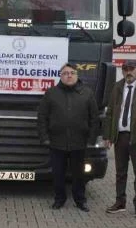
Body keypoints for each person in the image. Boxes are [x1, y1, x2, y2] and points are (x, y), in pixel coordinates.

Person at [38, 63, 99, 212]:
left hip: (79, 142)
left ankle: (80, 200)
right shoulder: (51, 93)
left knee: (79, 175)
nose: (69, 75)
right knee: (58, 174)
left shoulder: (87, 93)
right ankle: (59, 199)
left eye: (72, 73)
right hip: (56, 142)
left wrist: (91, 139)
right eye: (65, 73)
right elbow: (42, 117)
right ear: (60, 76)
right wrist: (44, 137)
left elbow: (94, 118)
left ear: (77, 75)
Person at [102, 59, 136, 218]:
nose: (128, 72)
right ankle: (120, 202)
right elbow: (110, 113)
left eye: (131, 69)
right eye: (125, 69)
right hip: (120, 137)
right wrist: (107, 135)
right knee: (120, 172)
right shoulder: (117, 87)